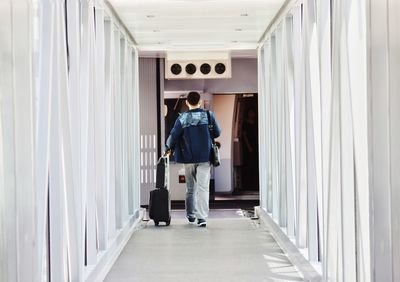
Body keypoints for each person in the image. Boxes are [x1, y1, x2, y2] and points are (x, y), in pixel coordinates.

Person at [165, 91, 221, 227]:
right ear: (200, 102)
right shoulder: (208, 115)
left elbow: (173, 135)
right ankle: (201, 218)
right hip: (204, 157)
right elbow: (217, 133)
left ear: (187, 102)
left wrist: (168, 148)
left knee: (190, 188)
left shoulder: (182, 118)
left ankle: (191, 215)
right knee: (203, 188)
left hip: (188, 158)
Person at [242, 108, 259, 190]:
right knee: (249, 164)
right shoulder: (245, 123)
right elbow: (244, 135)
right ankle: (248, 183)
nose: (252, 114)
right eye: (250, 112)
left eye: (253, 112)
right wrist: (249, 147)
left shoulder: (256, 122)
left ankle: (254, 182)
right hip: (249, 145)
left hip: (256, 144)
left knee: (255, 164)